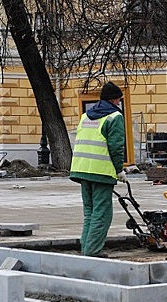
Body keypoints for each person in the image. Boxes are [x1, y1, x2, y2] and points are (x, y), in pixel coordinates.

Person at [70, 81, 126, 258]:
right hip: (100, 171)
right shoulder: (114, 117)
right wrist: (119, 170)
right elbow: (116, 147)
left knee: (90, 212)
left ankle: (86, 249)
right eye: (118, 100)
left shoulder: (86, 116)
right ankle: (92, 252)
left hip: (81, 170)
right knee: (102, 213)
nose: (118, 103)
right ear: (114, 99)